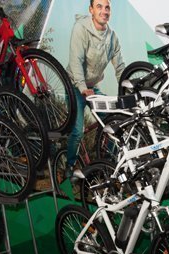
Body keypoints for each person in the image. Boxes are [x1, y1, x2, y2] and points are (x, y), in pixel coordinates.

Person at [66, 0, 125, 174]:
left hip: (92, 87)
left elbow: (120, 68)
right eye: (99, 6)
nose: (104, 11)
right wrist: (82, 87)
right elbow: (76, 61)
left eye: (107, 8)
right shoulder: (81, 29)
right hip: (74, 85)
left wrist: (128, 89)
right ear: (91, 10)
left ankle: (106, 162)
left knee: (114, 123)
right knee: (77, 132)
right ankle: (69, 166)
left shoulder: (112, 37)